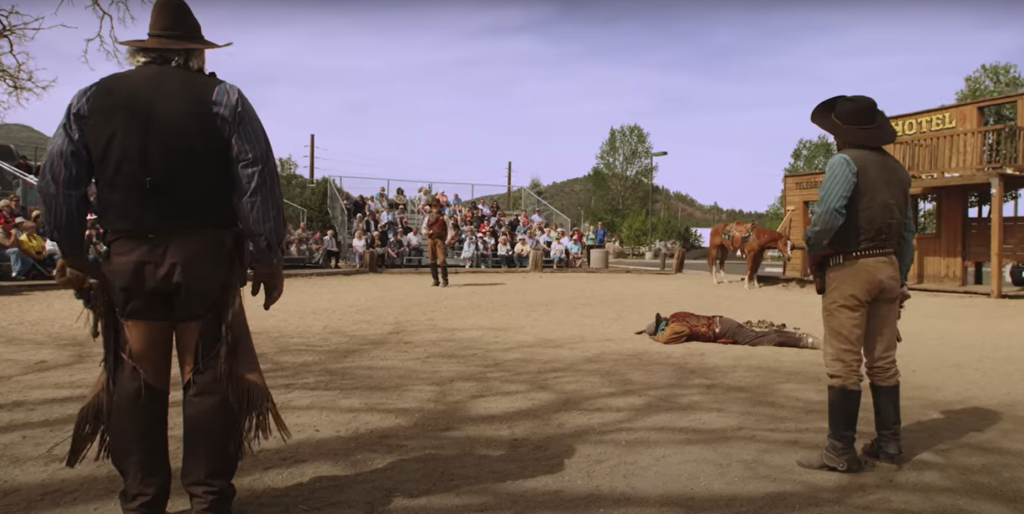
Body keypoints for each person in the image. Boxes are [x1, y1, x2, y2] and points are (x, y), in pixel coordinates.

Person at [37, 1, 290, 512]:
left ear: (146, 51)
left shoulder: (90, 99)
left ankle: (142, 500)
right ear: (194, 52)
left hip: (129, 258)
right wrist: (267, 256)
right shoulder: (224, 98)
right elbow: (258, 179)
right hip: (204, 258)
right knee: (208, 379)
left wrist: (74, 253)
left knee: (135, 375)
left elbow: (57, 180)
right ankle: (209, 498)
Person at [796, 95, 916, 473]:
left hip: (850, 267)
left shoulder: (843, 162)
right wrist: (902, 277)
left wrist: (813, 244)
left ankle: (839, 451)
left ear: (843, 134)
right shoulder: (898, 171)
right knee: (883, 361)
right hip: (888, 268)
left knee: (844, 364)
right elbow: (908, 233)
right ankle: (890, 444)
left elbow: (829, 213)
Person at [637, 312, 820, 349]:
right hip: (722, 322)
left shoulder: (676, 327)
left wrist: (654, 338)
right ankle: (796, 336)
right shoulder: (677, 315)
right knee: (758, 335)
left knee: (757, 340)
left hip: (723, 329)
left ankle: (805, 341)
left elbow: (667, 338)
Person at [425, 200, 449, 286]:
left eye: (437, 206)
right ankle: (435, 279)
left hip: (440, 239)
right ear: (431, 208)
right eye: (434, 206)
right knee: (432, 259)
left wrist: (447, 240)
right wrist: (425, 232)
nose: (435, 208)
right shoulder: (428, 217)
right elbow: (424, 228)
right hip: (430, 239)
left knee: (442, 260)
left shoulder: (444, 217)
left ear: (439, 207)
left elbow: (450, 229)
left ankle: (445, 280)